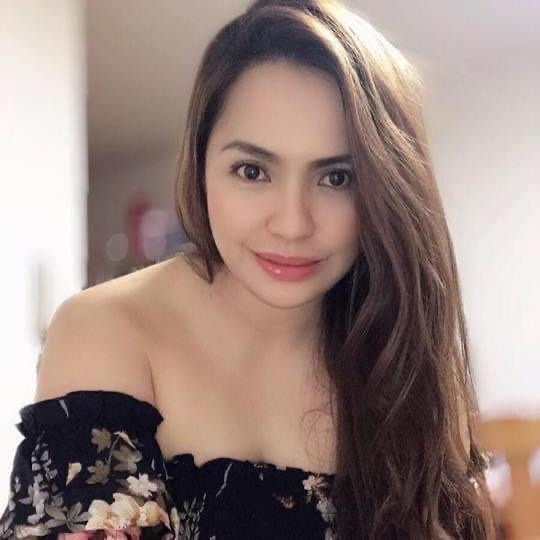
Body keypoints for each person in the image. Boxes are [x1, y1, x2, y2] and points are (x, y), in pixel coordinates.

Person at [0, 0, 498, 538]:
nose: (292, 223)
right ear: (200, 163)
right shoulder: (109, 332)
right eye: (253, 170)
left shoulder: (404, 363)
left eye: (336, 178)